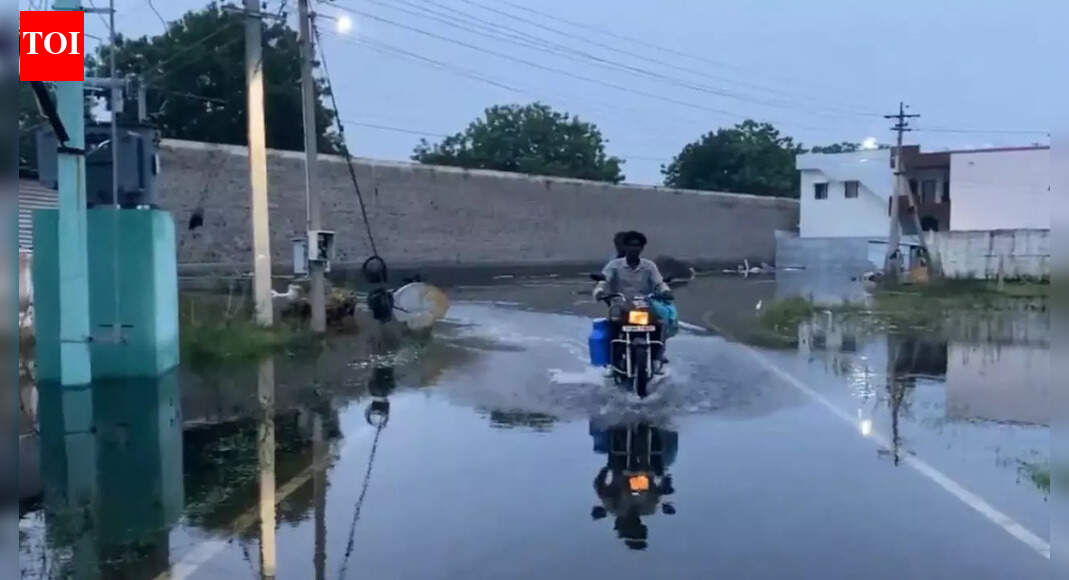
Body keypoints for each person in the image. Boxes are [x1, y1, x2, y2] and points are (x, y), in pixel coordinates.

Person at [593, 231, 673, 370]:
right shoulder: (614, 265)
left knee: (659, 325)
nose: (634, 248)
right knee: (613, 328)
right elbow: (604, 280)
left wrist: (665, 291)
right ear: (625, 247)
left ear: (642, 248)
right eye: (630, 245)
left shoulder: (649, 266)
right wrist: (600, 292)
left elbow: (659, 283)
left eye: (637, 245)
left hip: (644, 307)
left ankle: (657, 357)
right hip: (621, 306)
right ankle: (613, 362)